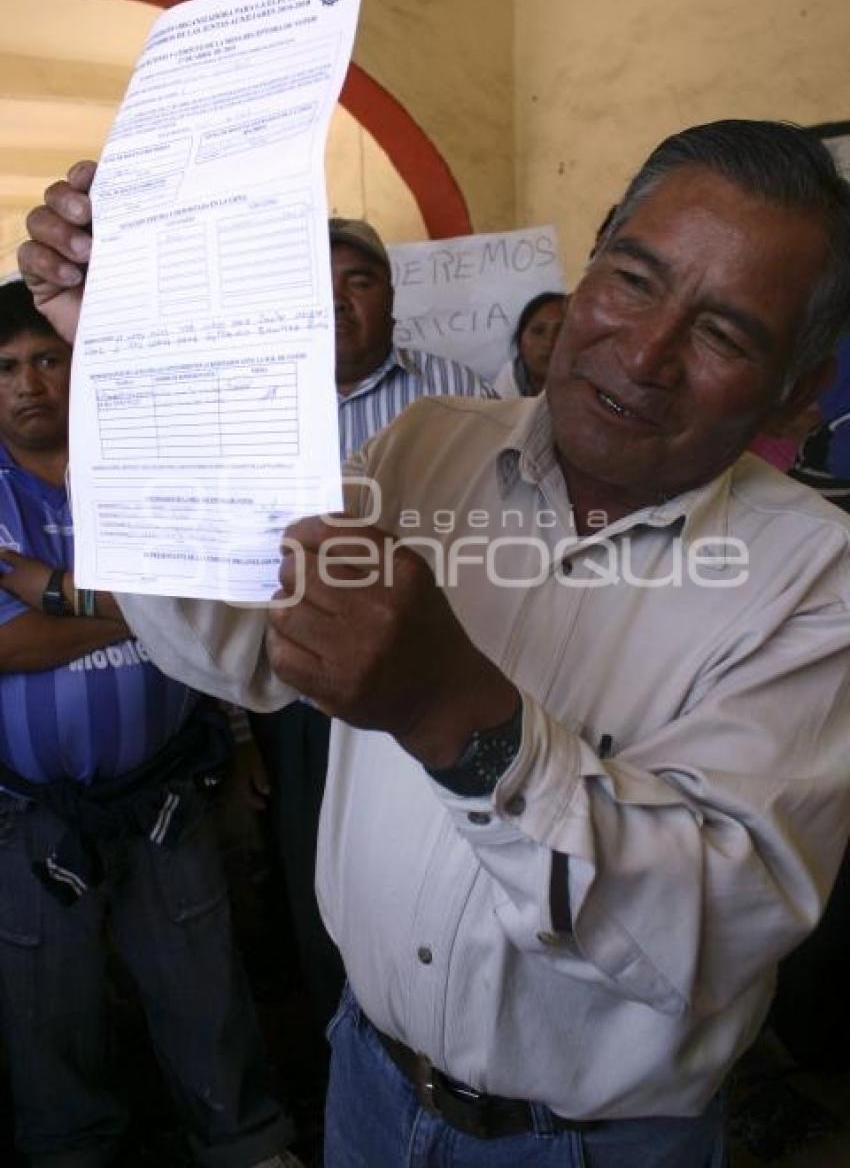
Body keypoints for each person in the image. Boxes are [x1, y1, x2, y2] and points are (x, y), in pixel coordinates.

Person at [20, 120, 850, 1168]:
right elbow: (231, 637)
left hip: (591, 1147)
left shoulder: (817, 582)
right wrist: (129, 370)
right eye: (632, 279)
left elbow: (708, 929)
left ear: (796, 392)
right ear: (588, 268)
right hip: (366, 1079)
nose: (644, 353)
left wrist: (451, 714)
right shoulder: (428, 447)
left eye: (724, 334)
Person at [0, 280, 300, 1168]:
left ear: (79, 363)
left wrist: (51, 589)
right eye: (6, 366)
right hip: (30, 815)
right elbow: (13, 649)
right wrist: (158, 605)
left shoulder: (141, 472)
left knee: (205, 985)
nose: (28, 384)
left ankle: (246, 1143)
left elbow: (225, 599)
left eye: (47, 359)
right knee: (49, 1012)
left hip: (168, 790)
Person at [248, 216, 493, 1042]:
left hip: (437, 669)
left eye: (359, 280)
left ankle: (447, 1025)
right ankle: (347, 1029)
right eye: (320, 285)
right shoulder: (267, 406)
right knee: (323, 858)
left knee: (441, 852)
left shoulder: (455, 392)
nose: (339, 301)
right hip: (296, 681)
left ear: (391, 295)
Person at [492, 289, 568, 396]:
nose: (549, 342)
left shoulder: (592, 384)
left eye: (561, 331)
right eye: (538, 331)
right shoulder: (507, 383)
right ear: (520, 342)